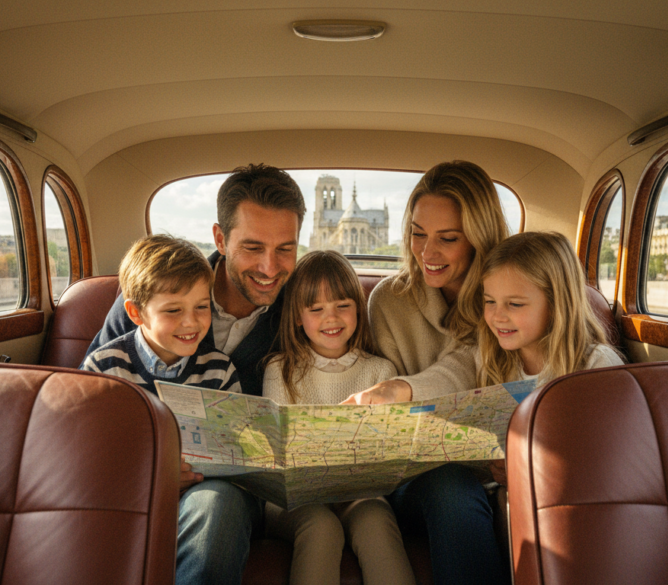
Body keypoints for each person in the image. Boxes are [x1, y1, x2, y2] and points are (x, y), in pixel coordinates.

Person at [86, 164, 306, 585]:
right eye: (253, 247)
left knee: (214, 508)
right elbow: (91, 403)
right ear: (221, 239)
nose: (270, 267)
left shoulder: (303, 311)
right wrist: (150, 470)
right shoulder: (153, 291)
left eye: (285, 249)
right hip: (137, 473)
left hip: (228, 485)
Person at [342, 161, 510, 585]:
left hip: (500, 466)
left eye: (447, 239)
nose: (427, 253)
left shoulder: (508, 296)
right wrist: (396, 395)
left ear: (479, 238)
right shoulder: (389, 302)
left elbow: (471, 362)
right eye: (418, 234)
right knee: (447, 483)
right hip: (421, 476)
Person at [262, 250, 414, 585]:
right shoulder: (280, 370)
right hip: (294, 499)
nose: (331, 318)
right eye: (316, 309)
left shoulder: (381, 372)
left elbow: (391, 450)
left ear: (359, 307)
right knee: (321, 527)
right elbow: (276, 451)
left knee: (375, 519)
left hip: (360, 491)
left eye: (342, 305)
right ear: (298, 317)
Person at [81, 234, 239, 393]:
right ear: (136, 313)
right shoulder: (103, 368)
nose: (191, 322)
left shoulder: (220, 371)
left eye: (201, 307)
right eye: (173, 310)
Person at [478, 231, 623, 388]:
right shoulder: (491, 360)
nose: (497, 317)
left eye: (515, 304)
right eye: (490, 301)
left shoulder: (598, 365)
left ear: (556, 304)